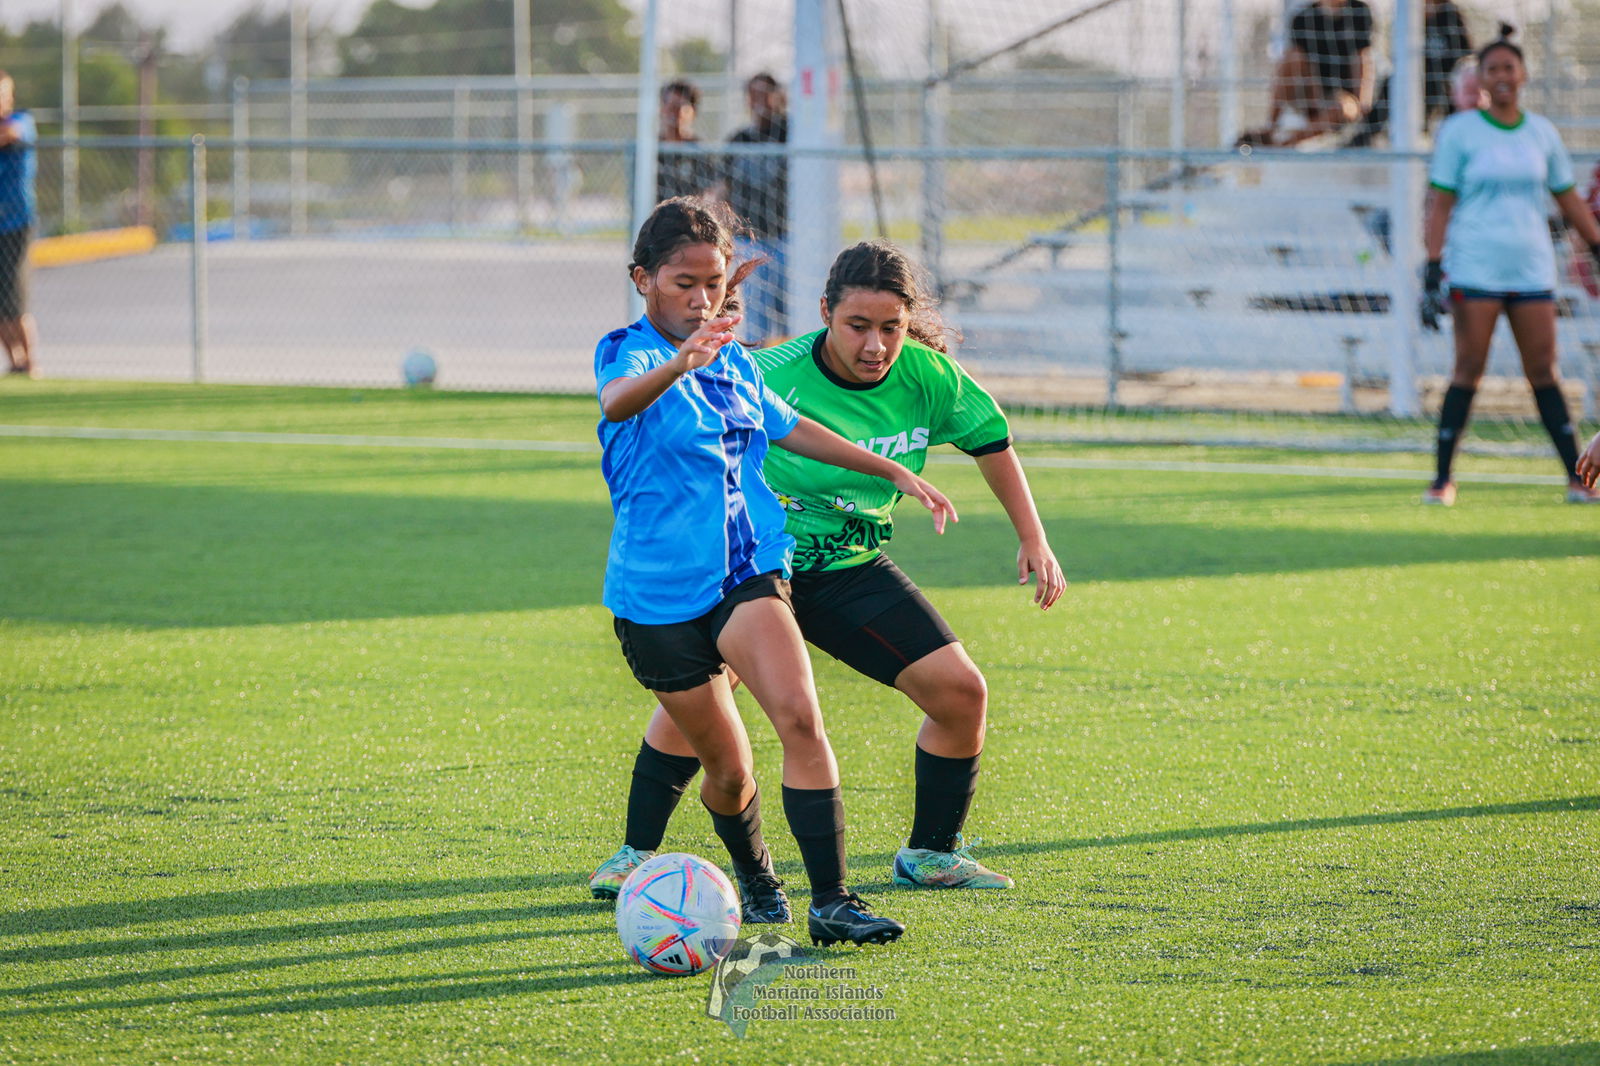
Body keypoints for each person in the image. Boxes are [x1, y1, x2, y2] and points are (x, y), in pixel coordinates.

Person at [589, 239, 1066, 909]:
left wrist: (1032, 537)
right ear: (825, 315)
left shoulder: (929, 377)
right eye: (858, 327)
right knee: (699, 717)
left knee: (961, 693)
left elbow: (991, 441)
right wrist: (703, 321)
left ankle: (929, 854)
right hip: (755, 568)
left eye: (890, 328)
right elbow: (693, 388)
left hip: (844, 570)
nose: (875, 345)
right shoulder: (776, 367)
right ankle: (637, 854)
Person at [1420, 29, 1600, 505]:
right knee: (1468, 370)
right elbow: (1439, 206)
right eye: (1492, 69)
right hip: (1476, 268)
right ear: (1481, 77)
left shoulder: (1542, 132)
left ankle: (1578, 479)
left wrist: (1597, 244)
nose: (1502, 76)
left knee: (1544, 371)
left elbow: (1568, 199)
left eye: (1509, 68)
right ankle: (1442, 480)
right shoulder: (1460, 132)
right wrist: (1433, 266)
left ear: (1523, 75)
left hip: (1531, 270)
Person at [1240, 0, 1375, 149]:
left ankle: (1283, 145)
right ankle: (1269, 129)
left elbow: (1362, 58)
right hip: (1312, 92)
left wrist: (1362, 102)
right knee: (1292, 56)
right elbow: (1290, 64)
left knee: (1342, 107)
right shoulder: (1303, 17)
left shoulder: (1358, 11)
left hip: (1343, 99)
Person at [1345, 0, 1472, 147]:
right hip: (1412, 81)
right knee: (1391, 85)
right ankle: (1363, 138)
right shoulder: (1406, 18)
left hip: (1443, 81)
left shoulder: (1451, 15)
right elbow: (1395, 56)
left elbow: (1465, 55)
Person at [723, 73, 789, 346]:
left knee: (788, 311)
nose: (759, 100)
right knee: (757, 315)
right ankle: (759, 364)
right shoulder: (739, 139)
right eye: (754, 94)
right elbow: (723, 185)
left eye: (765, 93)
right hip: (750, 239)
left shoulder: (792, 133)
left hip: (786, 237)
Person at [0, 71, 38, 378]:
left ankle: (31, 360)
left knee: (15, 296)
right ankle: (14, 362)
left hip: (17, 222)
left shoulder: (22, 120)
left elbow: (12, 134)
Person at [656, 80, 715, 203]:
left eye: (679, 106)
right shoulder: (650, 150)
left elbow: (707, 193)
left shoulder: (700, 152)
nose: (673, 111)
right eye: (669, 104)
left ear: (693, 111)